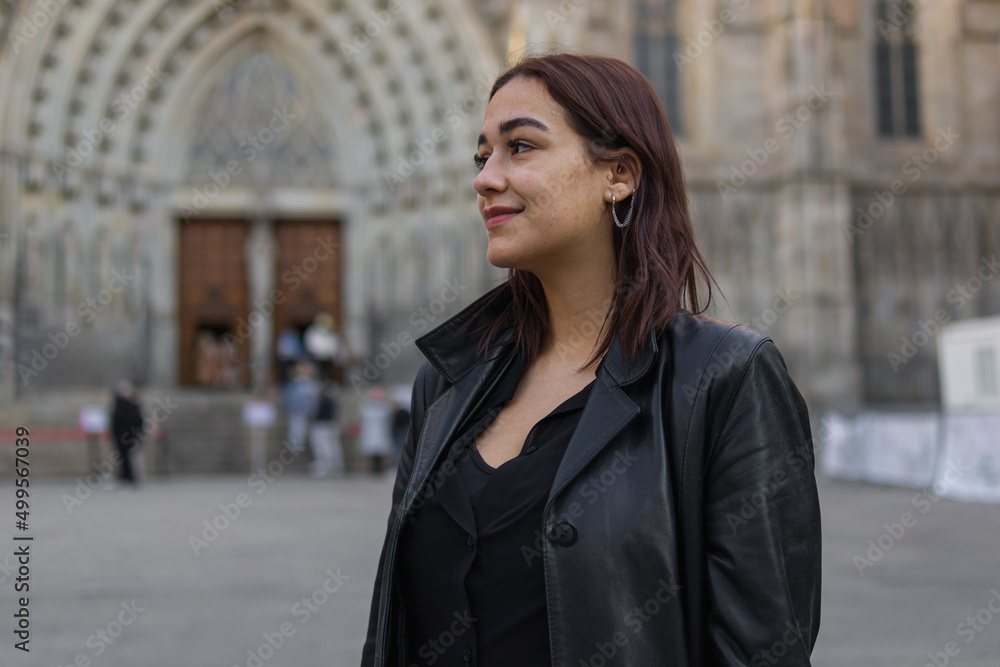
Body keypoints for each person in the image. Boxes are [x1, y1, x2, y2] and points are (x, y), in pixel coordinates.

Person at [361, 53, 821, 666]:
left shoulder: (723, 380)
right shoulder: (447, 381)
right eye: (481, 155)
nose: (485, 178)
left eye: (520, 147)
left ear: (619, 175)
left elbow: (763, 651)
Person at [110, 380, 144, 488]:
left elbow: (137, 421)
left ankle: (130, 478)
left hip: (129, 436)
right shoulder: (120, 403)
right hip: (121, 435)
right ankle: (125, 477)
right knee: (123, 457)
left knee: (131, 458)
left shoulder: (131, 404)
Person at [308, 380, 345, 477]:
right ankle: (335, 467)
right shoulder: (332, 400)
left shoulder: (324, 400)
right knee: (333, 447)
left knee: (324, 448)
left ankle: (326, 467)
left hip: (322, 426)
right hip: (330, 425)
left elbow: (316, 413)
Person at [283, 360, 319, 454]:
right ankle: (295, 448)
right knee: (296, 430)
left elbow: (314, 399)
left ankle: (306, 447)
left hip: (308, 413)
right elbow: (289, 398)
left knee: (308, 431)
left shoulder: (312, 384)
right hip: (296, 412)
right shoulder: (294, 384)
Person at [357, 386, 394, 475]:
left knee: (383, 452)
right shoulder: (365, 407)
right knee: (369, 452)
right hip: (369, 433)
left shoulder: (384, 407)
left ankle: (383, 469)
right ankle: (369, 470)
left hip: (381, 433)